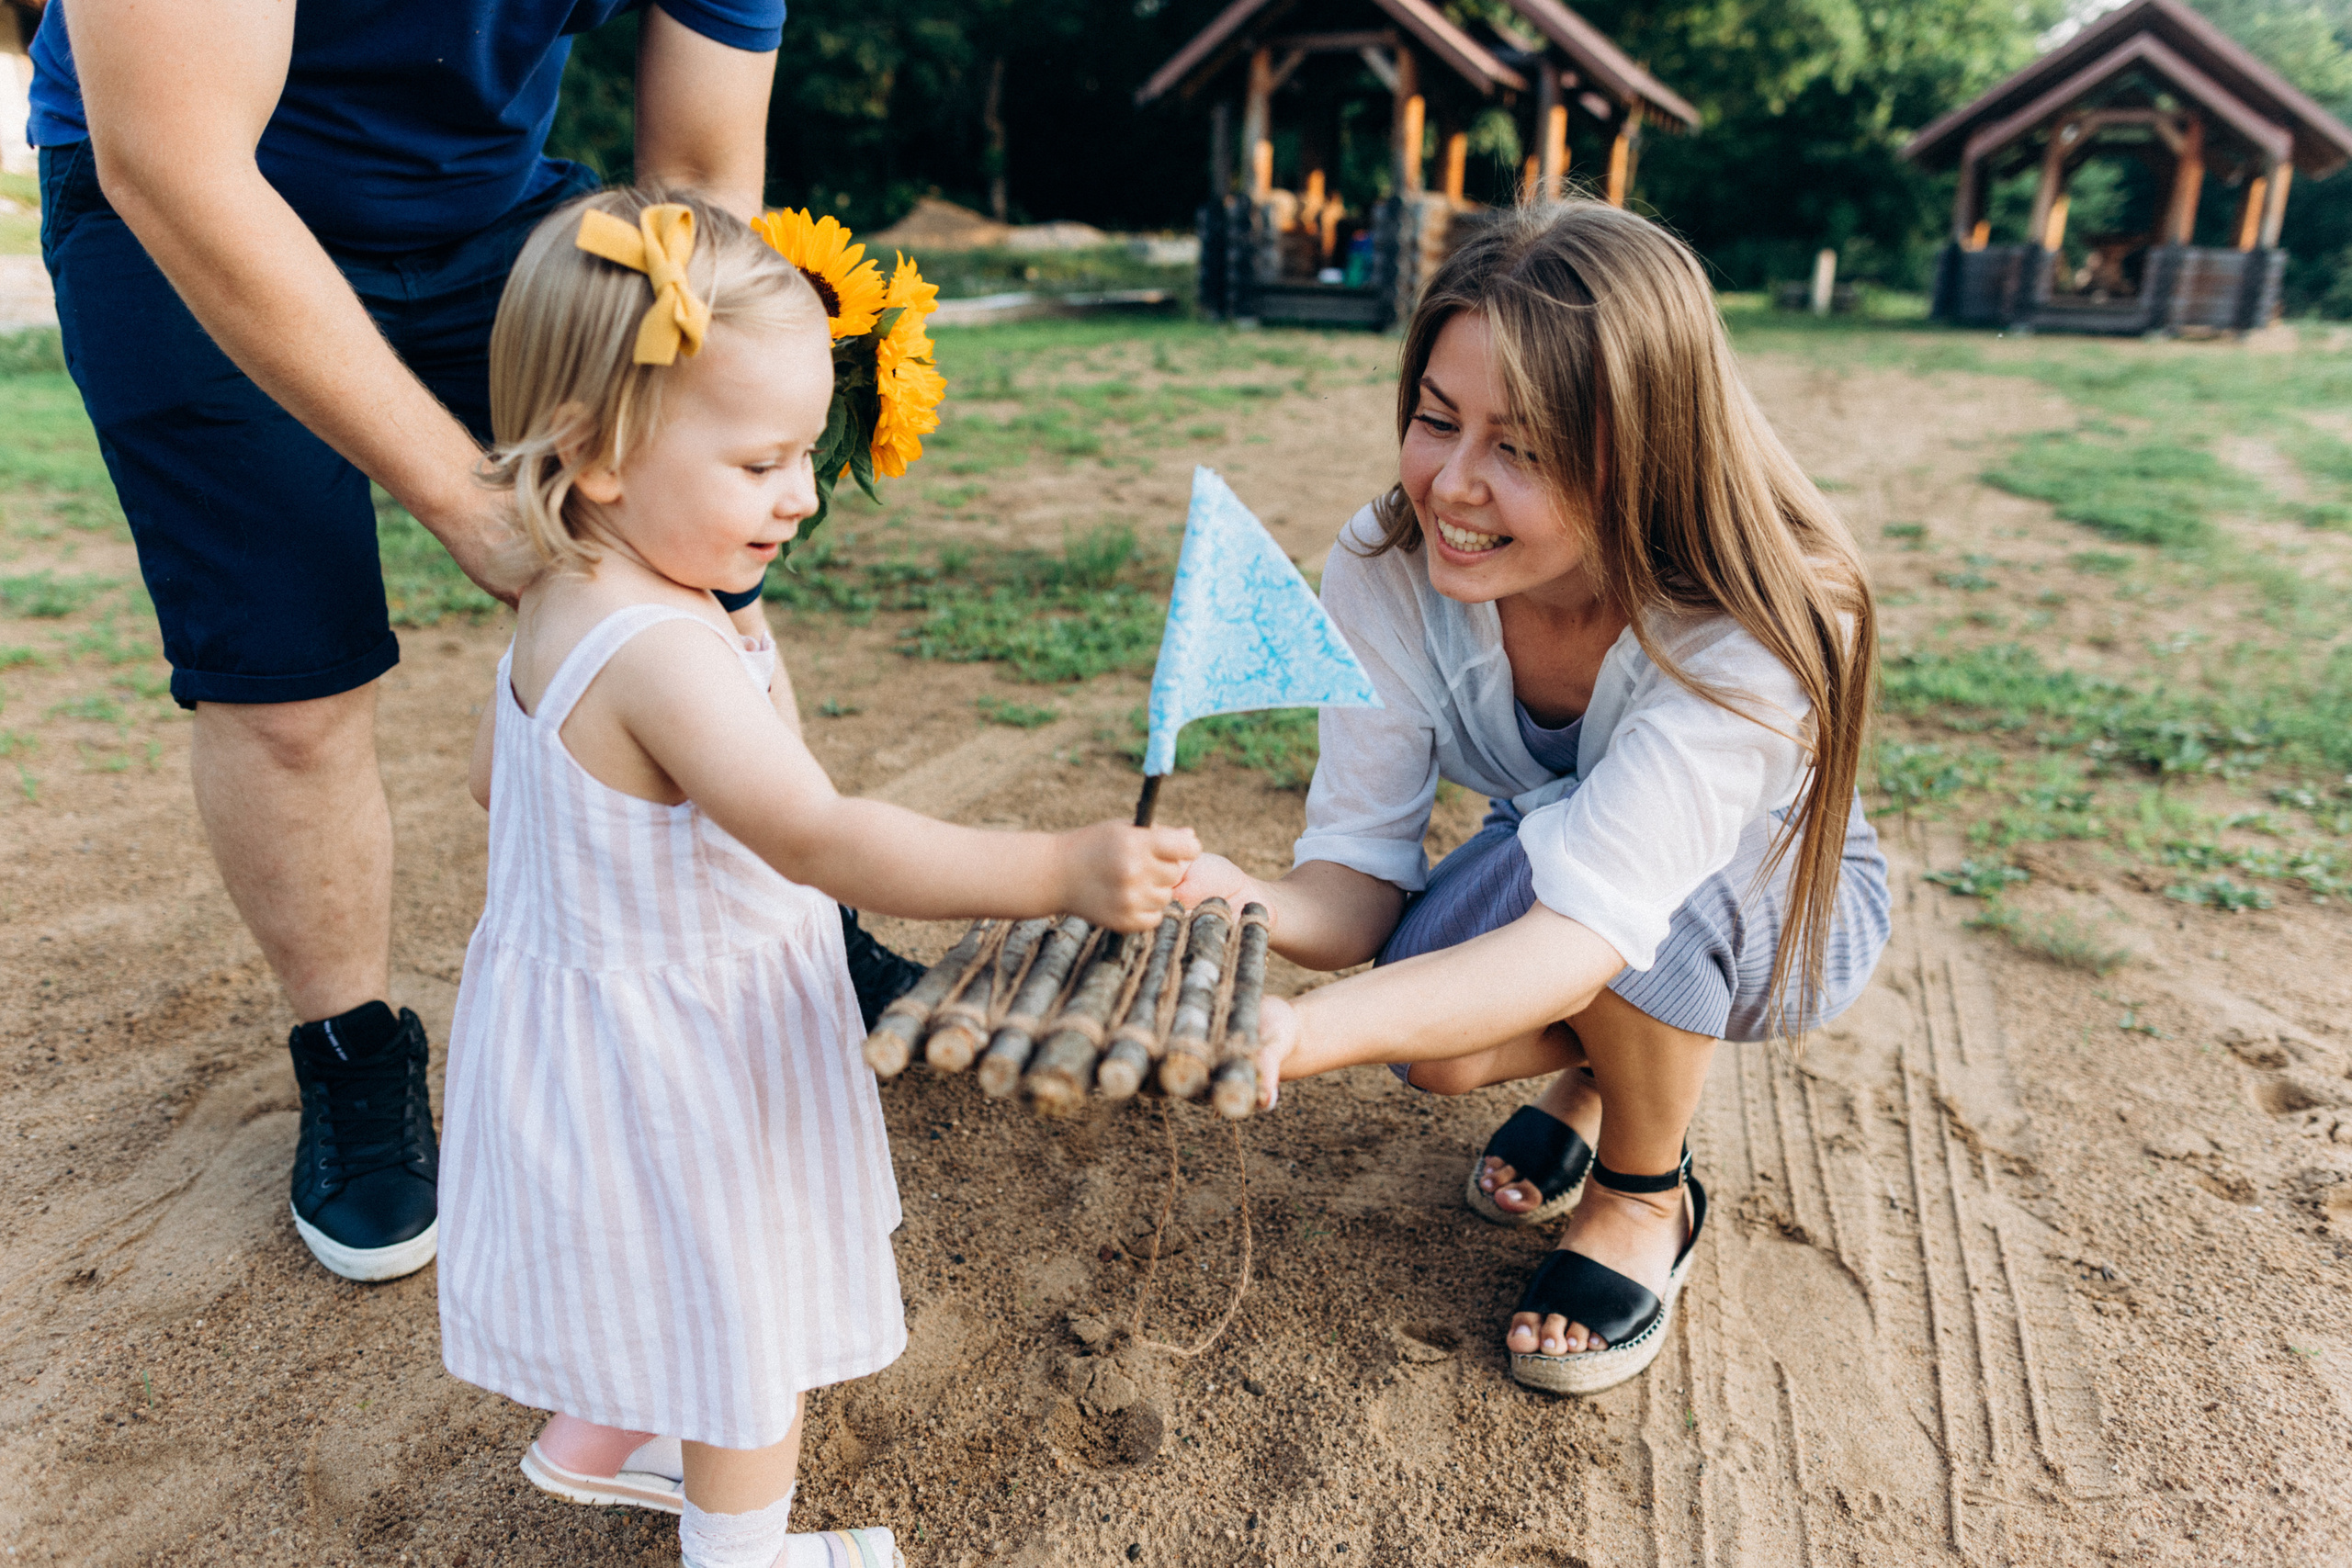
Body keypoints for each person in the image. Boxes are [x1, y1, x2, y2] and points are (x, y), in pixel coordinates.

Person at [27, 0, 922, 1285]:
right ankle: (353, 1054)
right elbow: (174, 156)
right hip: (184, 198)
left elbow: (700, 182)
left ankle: (790, 925)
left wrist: (692, 447)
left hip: (481, 212)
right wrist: (463, 495)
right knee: (291, 677)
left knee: (678, 554)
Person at [440, 187, 1198, 1562]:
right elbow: (817, 836)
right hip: (692, 1060)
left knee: (654, 1270)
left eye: (802, 454)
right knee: (749, 1327)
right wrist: (1060, 867)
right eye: (759, 462)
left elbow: (498, 783)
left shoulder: (564, 596)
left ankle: (603, 1432)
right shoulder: (664, 651)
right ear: (598, 454)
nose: (799, 493)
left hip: (593, 1033)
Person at [1186, 200, 1891, 1397]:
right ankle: (1606, 1067)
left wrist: (1300, 1035)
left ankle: (1641, 1189)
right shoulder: (1384, 564)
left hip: (1771, 894)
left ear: (1647, 452)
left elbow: (1585, 932)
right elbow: (1358, 883)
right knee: (1438, 1058)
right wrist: (1226, 900)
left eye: (1521, 449)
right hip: (1572, 853)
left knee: (1617, 952)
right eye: (1434, 419)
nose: (1453, 486)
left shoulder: (1750, 633)